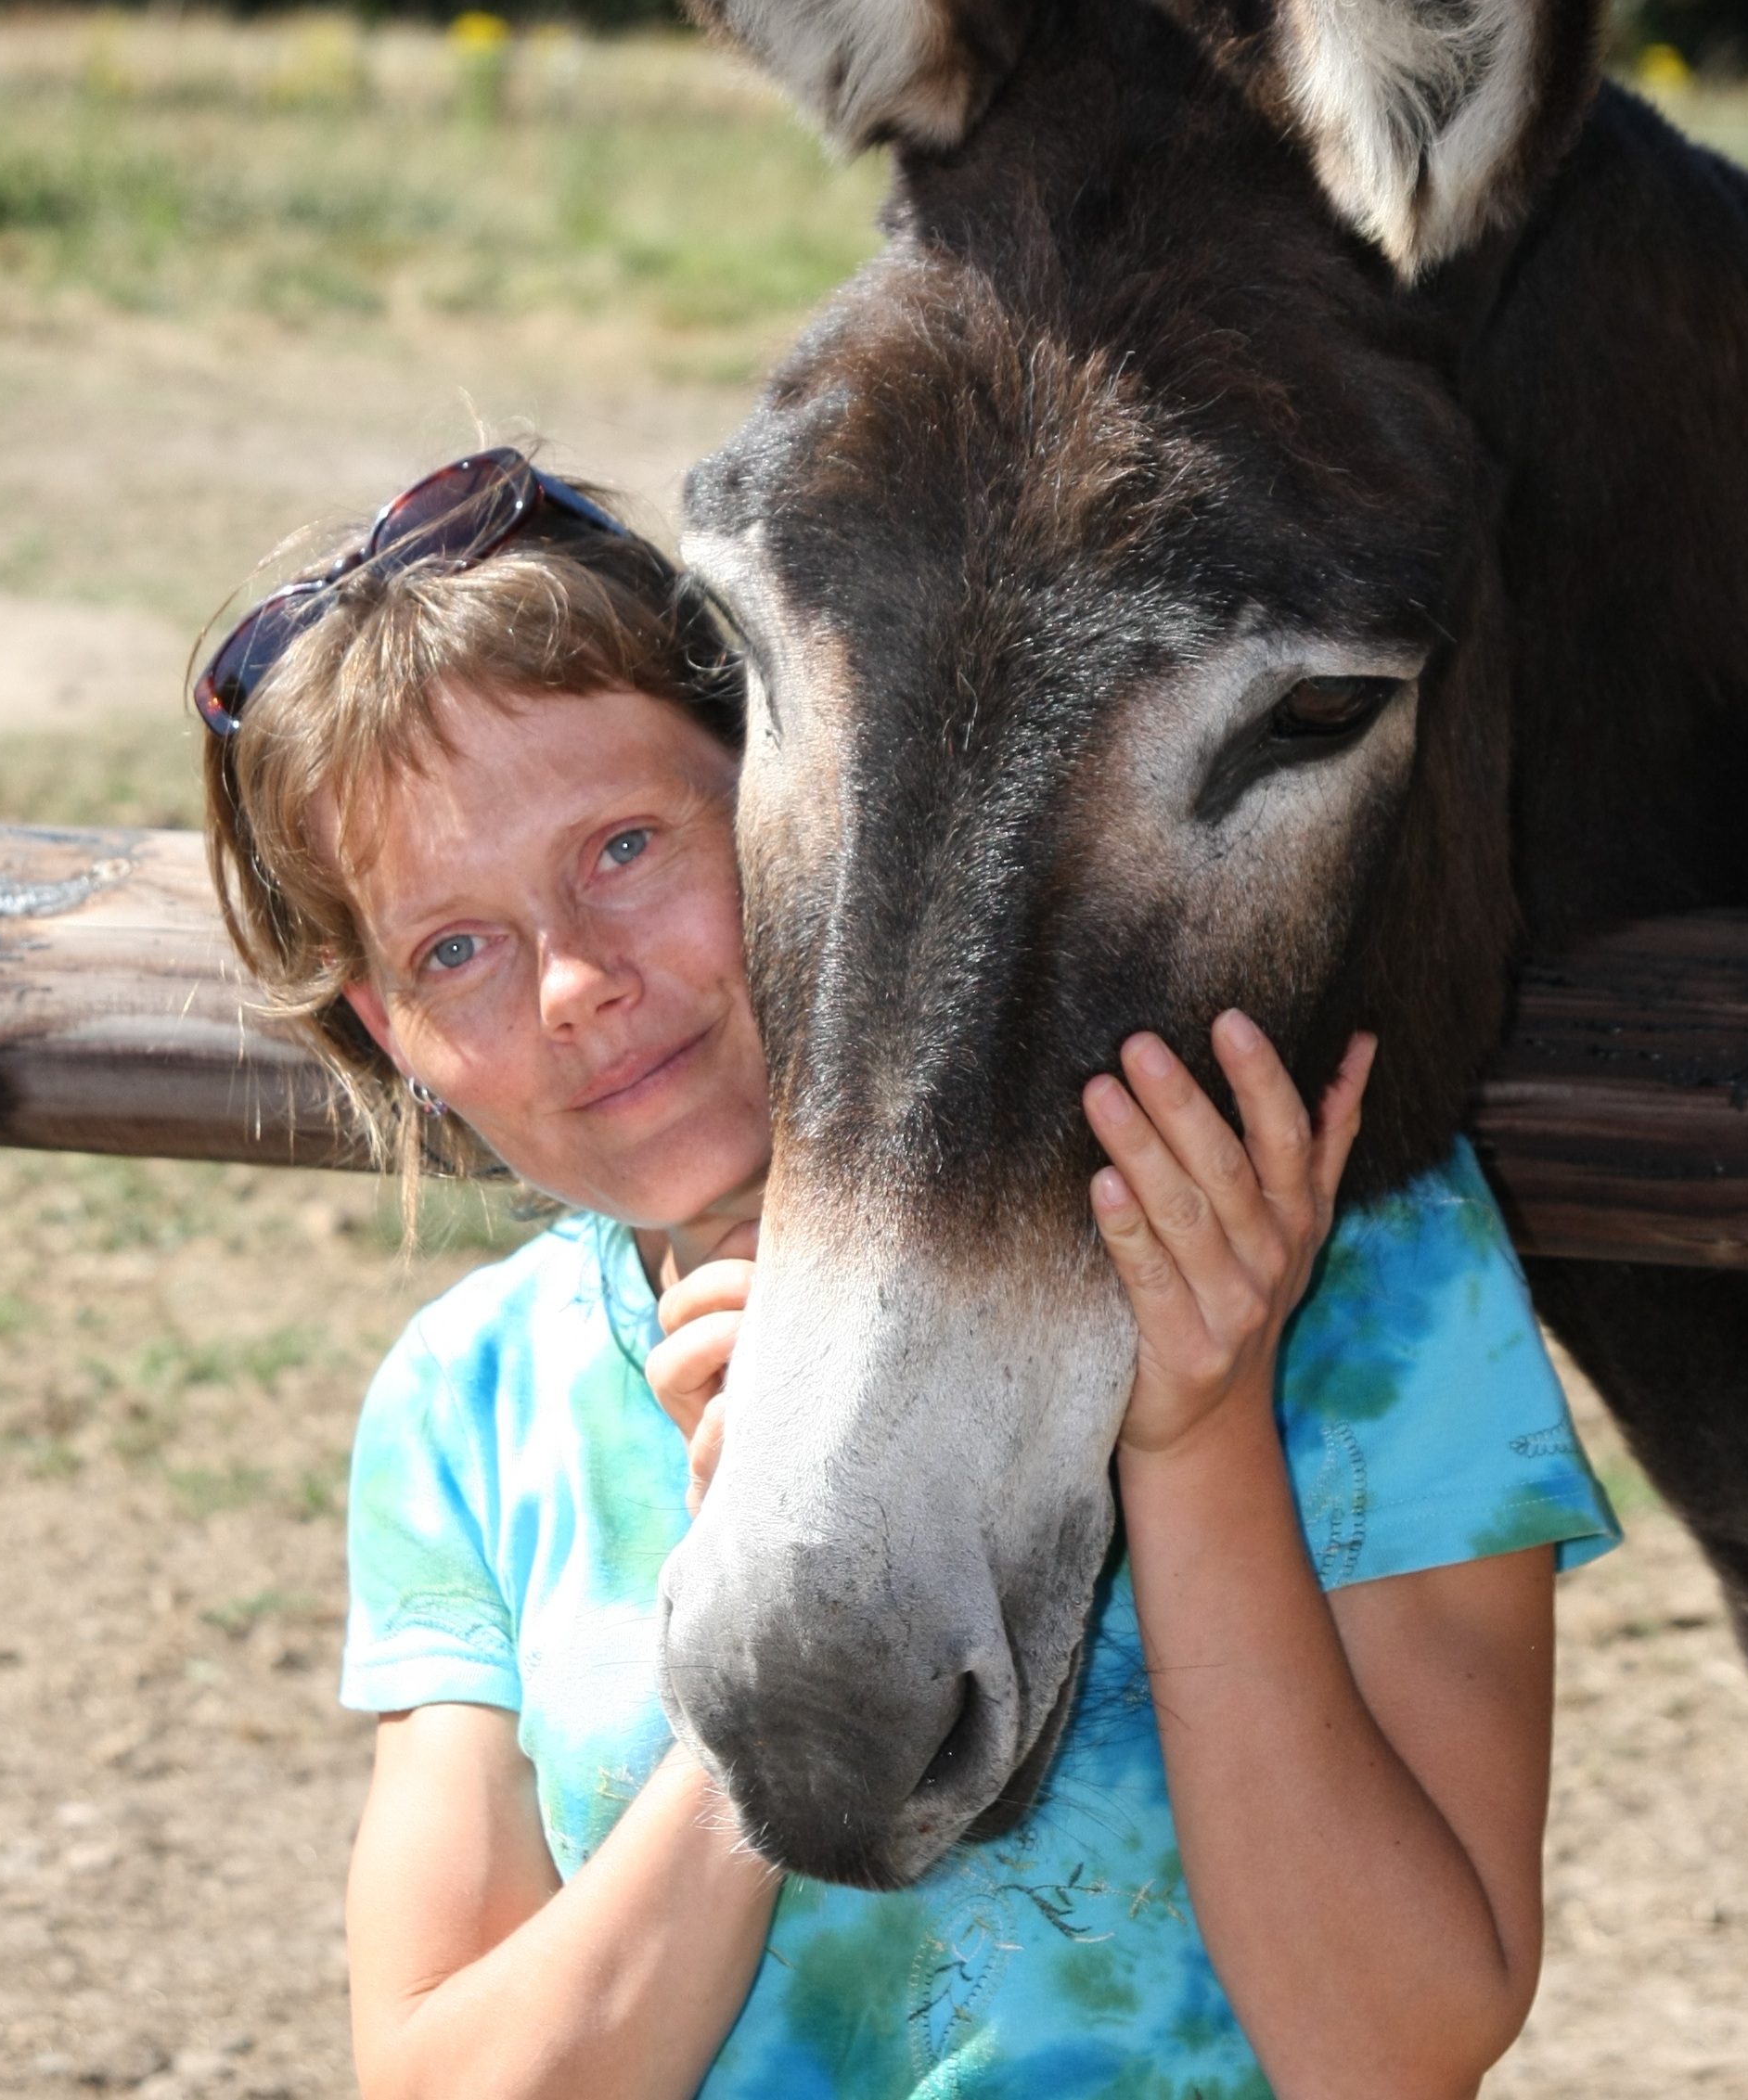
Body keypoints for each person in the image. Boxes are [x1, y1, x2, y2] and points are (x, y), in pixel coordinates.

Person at [196, 443, 1618, 2100]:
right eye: (456, 945)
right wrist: (786, 1626)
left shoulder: (1339, 1261)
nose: (576, 978)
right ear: (396, 1031)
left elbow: (1397, 2046)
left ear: (810, 804)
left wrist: (1197, 1430)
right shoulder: (473, 1397)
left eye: (624, 847)